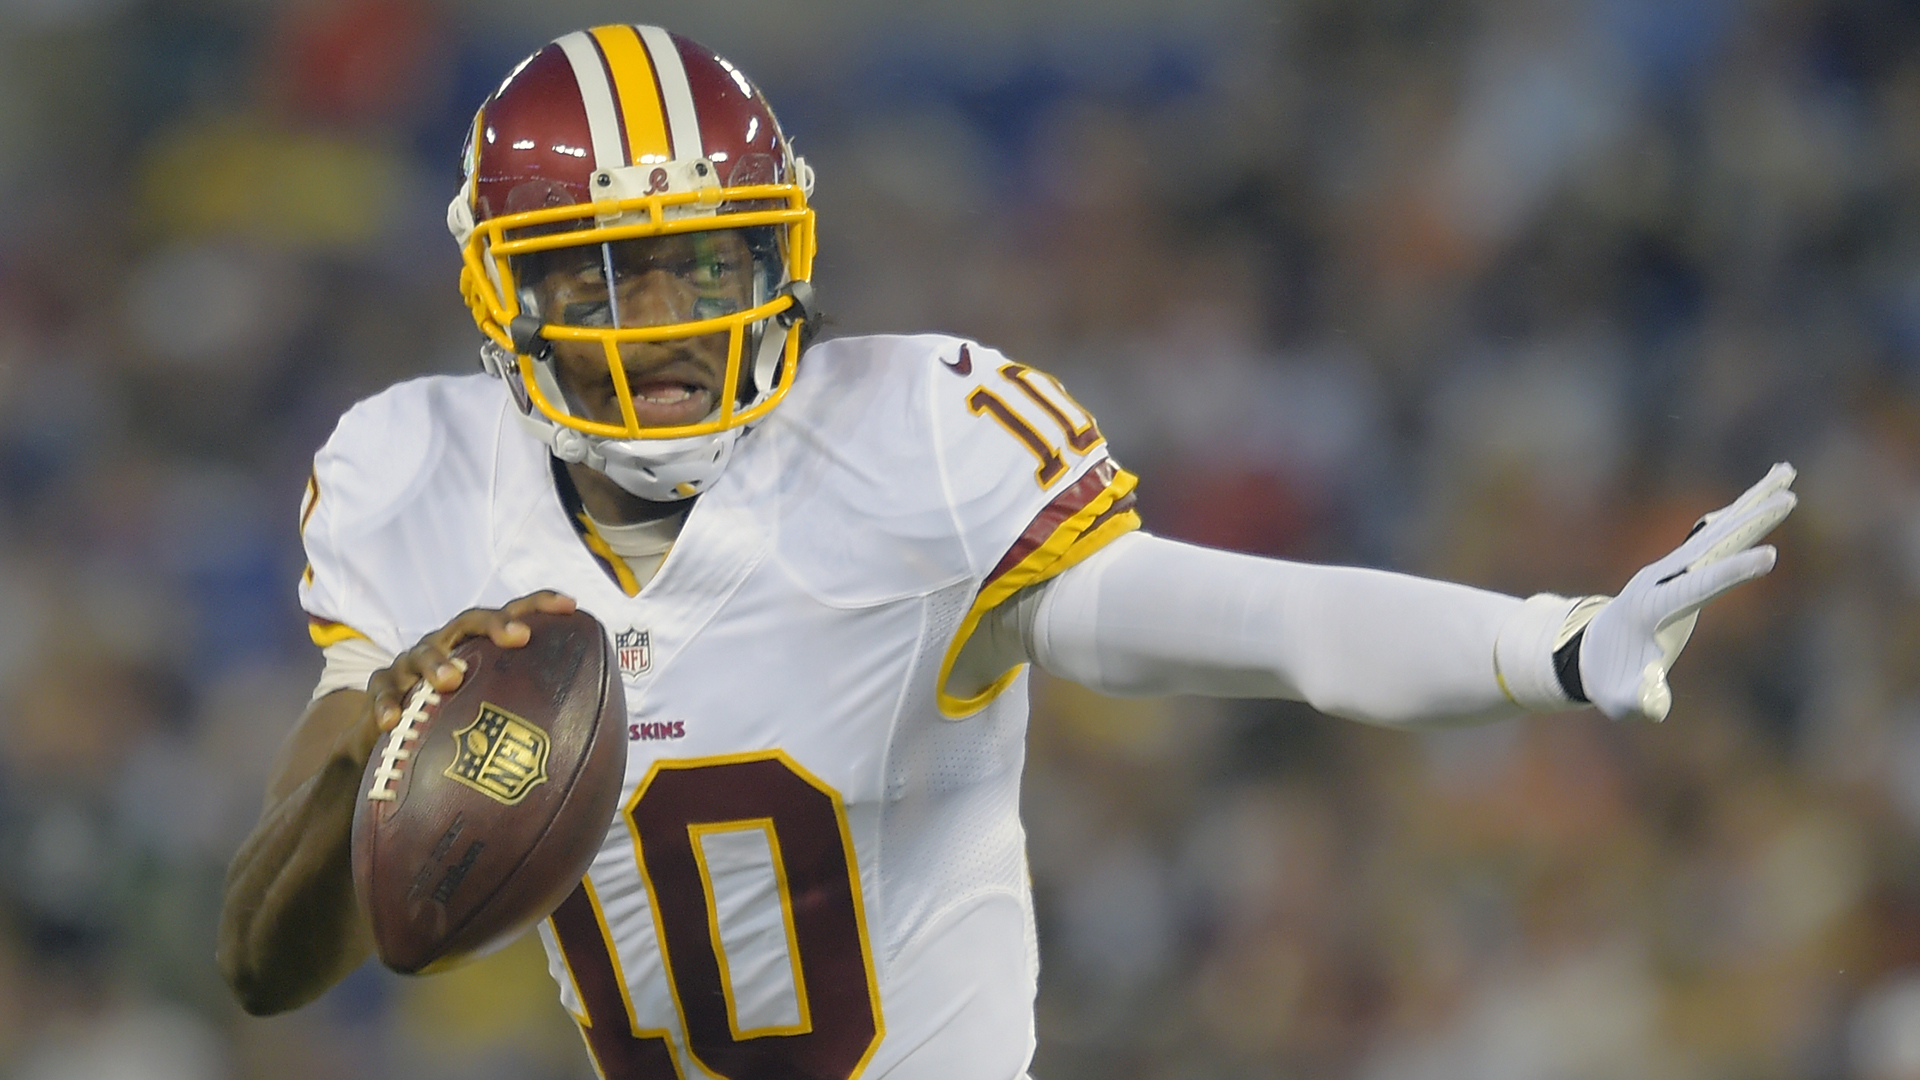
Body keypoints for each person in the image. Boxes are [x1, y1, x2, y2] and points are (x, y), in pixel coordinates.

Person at [215, 23, 1797, 1080]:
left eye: (706, 263)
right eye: (610, 277)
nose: (673, 327)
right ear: (507, 297)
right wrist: (378, 755)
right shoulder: (410, 476)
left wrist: (1546, 646)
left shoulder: (913, 443)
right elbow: (274, 966)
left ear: (782, 250)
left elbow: (1240, 623)